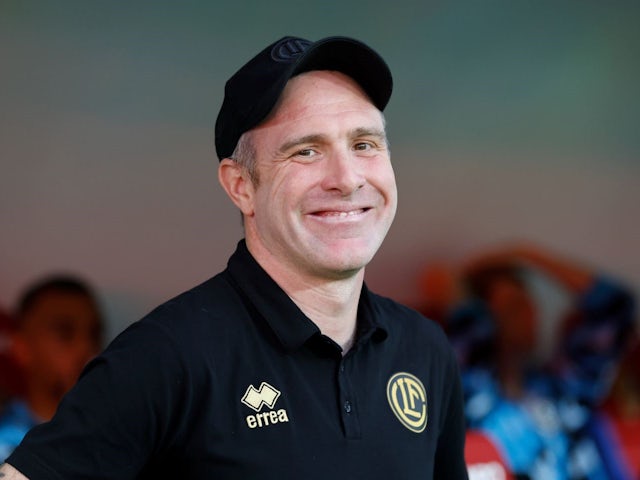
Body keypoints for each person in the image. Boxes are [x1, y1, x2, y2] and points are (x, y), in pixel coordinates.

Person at [1, 35, 469, 479]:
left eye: (364, 144)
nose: (347, 178)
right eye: (306, 151)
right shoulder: (167, 357)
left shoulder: (424, 350)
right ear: (241, 186)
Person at [444, 243, 636, 479]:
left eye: (529, 304)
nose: (527, 316)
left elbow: (614, 307)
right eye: (512, 307)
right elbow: (439, 283)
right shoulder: (472, 396)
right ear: (484, 319)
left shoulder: (563, 388)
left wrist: (526, 254)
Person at [0, 275, 104, 462]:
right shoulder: (6, 442)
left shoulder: (120, 440)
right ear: (21, 347)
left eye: (94, 334)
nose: (86, 348)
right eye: (65, 332)